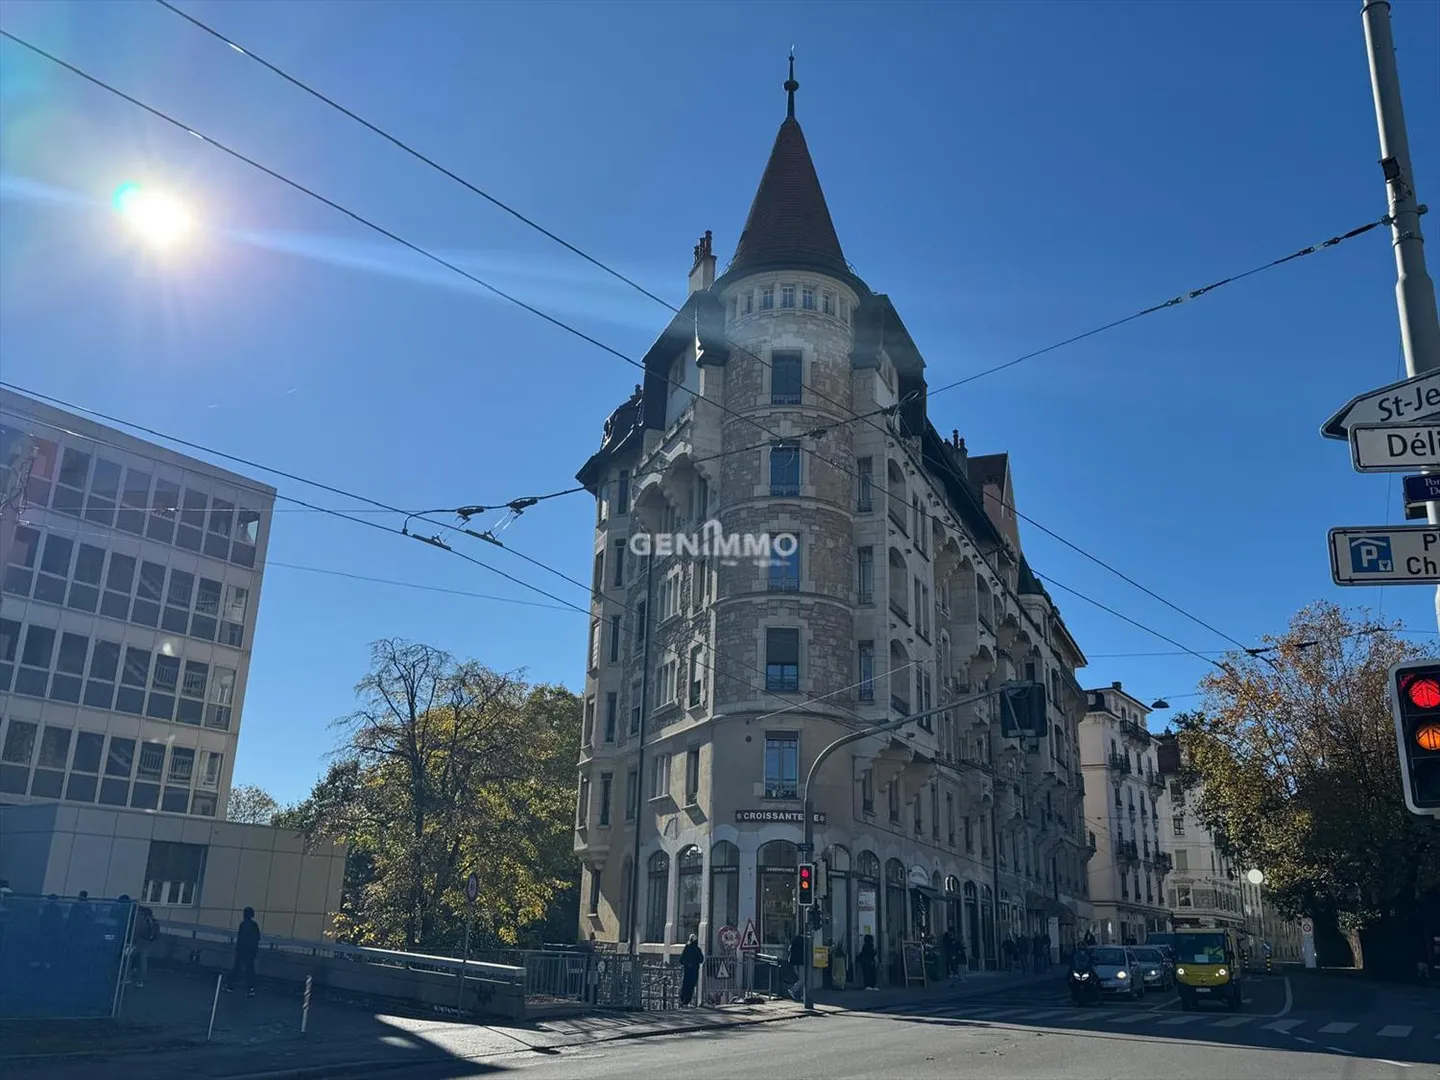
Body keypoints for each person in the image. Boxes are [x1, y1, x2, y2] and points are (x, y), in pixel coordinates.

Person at [225, 907, 260, 996]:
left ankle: (229, 985)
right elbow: (257, 938)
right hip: (250, 951)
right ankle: (250, 988)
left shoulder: (243, 924)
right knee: (249, 970)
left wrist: (237, 949)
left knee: (237, 968)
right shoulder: (254, 925)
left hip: (242, 951)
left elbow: (240, 938)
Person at [130, 904, 159, 987]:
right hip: (149, 943)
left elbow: (137, 931)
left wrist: (133, 941)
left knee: (129, 957)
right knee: (143, 961)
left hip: (139, 942)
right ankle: (141, 980)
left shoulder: (140, 919)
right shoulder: (153, 920)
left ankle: (128, 976)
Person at [679, 934, 704, 1007]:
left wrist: (687, 964)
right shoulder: (697, 949)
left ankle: (682, 1000)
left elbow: (681, 960)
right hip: (694, 971)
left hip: (687, 971)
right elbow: (701, 960)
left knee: (685, 985)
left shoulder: (687, 948)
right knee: (691, 987)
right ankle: (686, 1001)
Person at [788, 932, 807, 1000]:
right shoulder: (802, 941)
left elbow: (790, 950)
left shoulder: (795, 940)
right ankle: (793, 989)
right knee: (803, 979)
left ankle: (801, 996)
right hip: (800, 963)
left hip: (794, 963)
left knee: (801, 979)